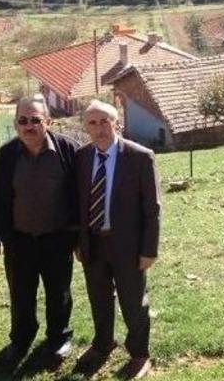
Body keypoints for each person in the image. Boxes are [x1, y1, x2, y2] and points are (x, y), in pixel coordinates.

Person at [0, 95, 80, 367]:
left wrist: (79, 238)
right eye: (23, 120)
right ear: (15, 124)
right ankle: (21, 339)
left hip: (58, 238)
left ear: (48, 122)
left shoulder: (68, 150)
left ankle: (59, 338)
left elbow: (79, 197)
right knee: (21, 294)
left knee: (59, 293)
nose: (29, 126)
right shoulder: (5, 155)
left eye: (35, 120)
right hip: (19, 240)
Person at [75, 100, 161, 379]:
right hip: (93, 243)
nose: (100, 128)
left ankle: (139, 354)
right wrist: (79, 242)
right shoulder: (81, 158)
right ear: (86, 127)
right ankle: (103, 344)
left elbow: (152, 208)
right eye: (93, 123)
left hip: (129, 245)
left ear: (116, 123)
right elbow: (77, 204)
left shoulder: (140, 157)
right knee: (99, 298)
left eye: (105, 121)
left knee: (133, 301)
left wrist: (149, 249)